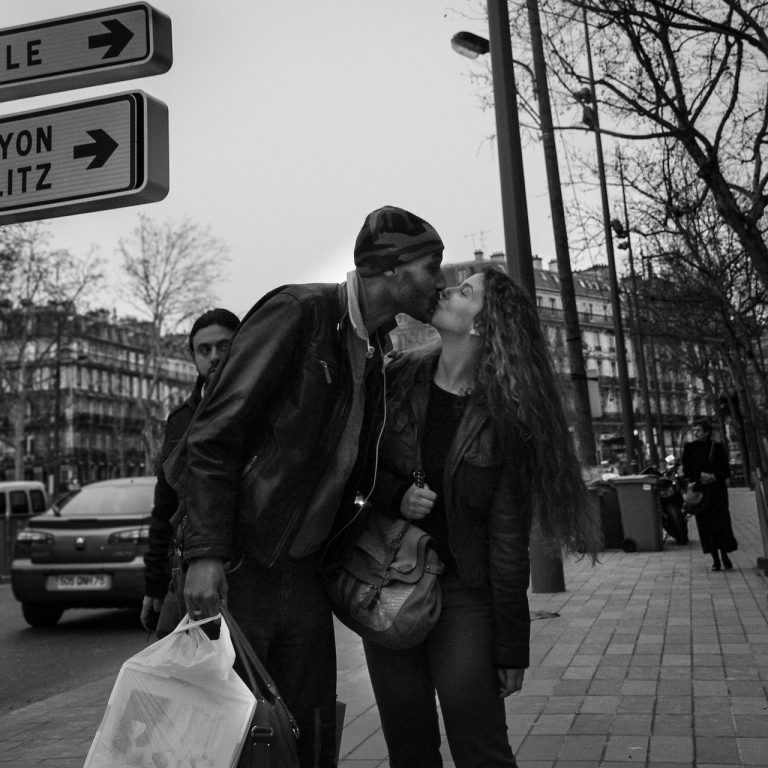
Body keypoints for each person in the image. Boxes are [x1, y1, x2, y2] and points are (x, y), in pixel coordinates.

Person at [164, 206, 446, 767]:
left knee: (307, 740)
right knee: (221, 744)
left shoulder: (373, 348)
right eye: (431, 265)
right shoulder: (299, 313)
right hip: (240, 570)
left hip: (302, 574)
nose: (440, 280)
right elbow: (212, 437)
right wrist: (206, 554)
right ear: (391, 270)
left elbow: (346, 467)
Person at [362, 267, 601, 768]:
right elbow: (359, 468)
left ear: (482, 326)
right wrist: (395, 496)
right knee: (409, 749)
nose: (447, 290)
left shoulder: (506, 415)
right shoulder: (397, 375)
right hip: (390, 586)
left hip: (462, 596)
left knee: (481, 748)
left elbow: (509, 542)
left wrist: (511, 646)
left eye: (464, 291)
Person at [140, 308, 240, 635]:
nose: (214, 357)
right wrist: (154, 585)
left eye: (224, 347)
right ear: (194, 358)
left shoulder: (268, 409)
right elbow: (164, 505)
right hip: (185, 577)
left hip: (249, 578)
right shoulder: (180, 421)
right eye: (204, 350)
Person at [682, 419, 737, 571]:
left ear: (706, 432)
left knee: (721, 523)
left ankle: (725, 554)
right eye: (693, 431)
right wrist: (700, 475)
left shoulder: (717, 448)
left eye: (698, 430)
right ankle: (715, 559)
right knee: (706, 525)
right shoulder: (689, 448)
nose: (695, 433)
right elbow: (686, 470)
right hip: (701, 492)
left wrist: (713, 476)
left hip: (717, 491)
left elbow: (726, 470)